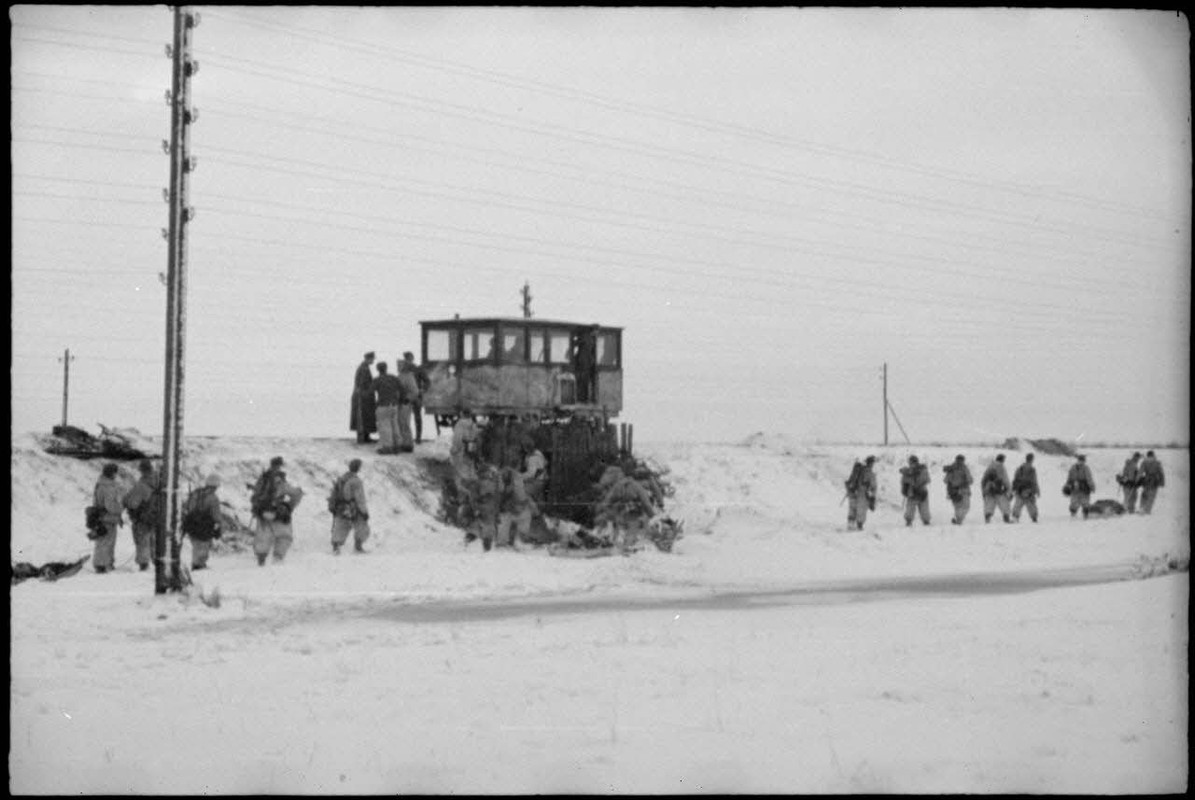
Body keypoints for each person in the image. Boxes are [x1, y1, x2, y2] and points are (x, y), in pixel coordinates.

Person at [250, 457, 304, 566]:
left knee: (262, 537)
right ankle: (278, 560)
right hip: (276, 512)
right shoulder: (279, 479)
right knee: (284, 536)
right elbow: (293, 493)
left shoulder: (262, 478)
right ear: (279, 465)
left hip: (262, 512)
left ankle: (261, 561)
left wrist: (256, 508)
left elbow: (255, 496)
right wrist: (290, 506)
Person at [122, 458, 162, 571]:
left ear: (142, 470)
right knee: (154, 540)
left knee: (142, 541)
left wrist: (125, 501)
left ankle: (143, 564)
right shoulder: (160, 481)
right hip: (156, 517)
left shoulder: (142, 485)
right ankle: (157, 562)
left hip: (142, 518)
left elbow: (133, 503)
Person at [329, 458, 370, 555]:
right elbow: (360, 498)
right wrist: (364, 511)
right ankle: (358, 546)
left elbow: (335, 492)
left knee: (341, 525)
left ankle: (336, 547)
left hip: (341, 506)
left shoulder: (342, 478)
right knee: (362, 526)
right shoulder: (356, 481)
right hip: (353, 507)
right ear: (358, 468)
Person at [182, 474, 223, 571]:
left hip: (191, 524)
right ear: (215, 486)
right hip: (205, 526)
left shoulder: (196, 493)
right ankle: (198, 566)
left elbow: (187, 507)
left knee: (196, 545)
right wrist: (219, 528)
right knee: (203, 545)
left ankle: (196, 564)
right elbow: (216, 515)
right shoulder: (213, 498)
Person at [91, 462, 124, 573]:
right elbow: (110, 505)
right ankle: (101, 565)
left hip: (101, 517)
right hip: (107, 518)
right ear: (111, 473)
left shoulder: (100, 484)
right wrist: (120, 509)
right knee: (106, 542)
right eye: (115, 472)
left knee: (103, 541)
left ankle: (105, 563)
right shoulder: (108, 487)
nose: (116, 474)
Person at [496, 465, 538, 550]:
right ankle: (504, 542)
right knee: (504, 521)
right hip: (508, 510)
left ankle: (518, 540)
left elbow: (523, 498)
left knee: (524, 519)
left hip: (517, 509)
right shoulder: (503, 486)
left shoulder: (517, 484)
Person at [372, 361, 403, 455]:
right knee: (395, 425)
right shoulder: (394, 378)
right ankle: (397, 446)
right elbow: (402, 389)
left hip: (383, 405)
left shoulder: (377, 380)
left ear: (378, 369)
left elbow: (370, 391)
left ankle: (387, 447)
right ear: (386, 368)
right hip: (394, 405)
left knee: (384, 426)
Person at [402, 351, 431, 444]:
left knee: (416, 417)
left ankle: (418, 438)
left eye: (409, 359)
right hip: (408, 396)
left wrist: (423, 390)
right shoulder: (403, 370)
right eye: (406, 359)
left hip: (415, 396)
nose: (408, 361)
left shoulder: (417, 369)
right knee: (407, 418)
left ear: (412, 359)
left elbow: (427, 381)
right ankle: (409, 438)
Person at [350, 351, 377, 445]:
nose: (373, 360)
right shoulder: (363, 368)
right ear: (368, 358)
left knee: (366, 416)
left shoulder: (364, 367)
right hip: (362, 397)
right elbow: (361, 384)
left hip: (364, 396)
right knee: (361, 417)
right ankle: (362, 438)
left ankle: (366, 436)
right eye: (372, 358)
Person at [845, 455, 877, 531]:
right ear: (871, 463)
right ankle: (859, 526)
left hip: (853, 491)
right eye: (873, 463)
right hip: (862, 493)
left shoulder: (858, 469)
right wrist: (873, 498)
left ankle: (850, 524)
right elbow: (873, 487)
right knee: (861, 509)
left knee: (852, 508)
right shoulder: (870, 473)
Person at [980, 453, 1012, 524]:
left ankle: (987, 518)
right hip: (998, 488)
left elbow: (983, 480)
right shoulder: (1001, 466)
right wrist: (1009, 490)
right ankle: (1006, 518)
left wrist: (983, 491)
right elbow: (1005, 479)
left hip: (988, 488)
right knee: (1004, 504)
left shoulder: (990, 466)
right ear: (1002, 459)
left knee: (989, 504)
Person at [396, 358, 419, 453]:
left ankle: (408, 444)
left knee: (405, 423)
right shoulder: (401, 376)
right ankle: (403, 443)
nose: (398, 367)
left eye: (400, 365)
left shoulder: (409, 377)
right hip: (399, 403)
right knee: (401, 423)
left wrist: (408, 399)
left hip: (405, 403)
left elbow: (415, 391)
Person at [899, 455, 931, 527]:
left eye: (913, 462)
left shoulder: (922, 470)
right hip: (913, 493)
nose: (912, 464)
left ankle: (926, 521)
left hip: (920, 492)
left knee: (923, 509)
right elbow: (903, 482)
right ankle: (909, 521)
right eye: (911, 463)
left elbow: (928, 480)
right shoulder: (907, 472)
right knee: (911, 509)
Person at [943, 454, 973, 525]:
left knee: (957, 507)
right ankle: (959, 520)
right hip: (963, 490)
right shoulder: (964, 468)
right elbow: (970, 480)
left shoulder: (951, 468)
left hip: (953, 491)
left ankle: (958, 519)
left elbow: (945, 480)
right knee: (966, 506)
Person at [1010, 453, 1041, 523]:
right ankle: (1034, 518)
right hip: (1029, 490)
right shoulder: (1032, 469)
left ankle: (1015, 517)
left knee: (1018, 504)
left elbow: (1015, 479)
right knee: (1031, 504)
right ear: (1032, 459)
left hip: (1019, 489)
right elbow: (1034, 481)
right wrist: (1037, 491)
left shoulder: (1020, 468)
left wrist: (1013, 488)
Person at [1064, 454, 1095, 518]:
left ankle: (1074, 513)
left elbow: (1069, 478)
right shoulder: (1085, 468)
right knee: (1084, 501)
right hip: (1083, 488)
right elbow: (1089, 478)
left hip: (1075, 487)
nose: (1081, 462)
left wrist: (1067, 484)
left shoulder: (1073, 467)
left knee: (1075, 501)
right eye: (1081, 460)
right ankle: (1083, 514)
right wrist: (1092, 487)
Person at [520, 436, 548, 504]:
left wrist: (520, 476)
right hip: (536, 480)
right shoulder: (531, 455)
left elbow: (532, 474)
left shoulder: (534, 457)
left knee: (520, 491)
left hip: (538, 482)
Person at [1138, 450, 1166, 515]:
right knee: (1151, 496)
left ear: (1147, 455)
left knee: (1144, 495)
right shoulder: (1157, 462)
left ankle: (1141, 508)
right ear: (1153, 455)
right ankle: (1147, 511)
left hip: (1146, 480)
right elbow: (1161, 473)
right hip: (1154, 481)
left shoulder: (1144, 462)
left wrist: (1137, 479)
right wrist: (1162, 482)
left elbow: (1140, 472)